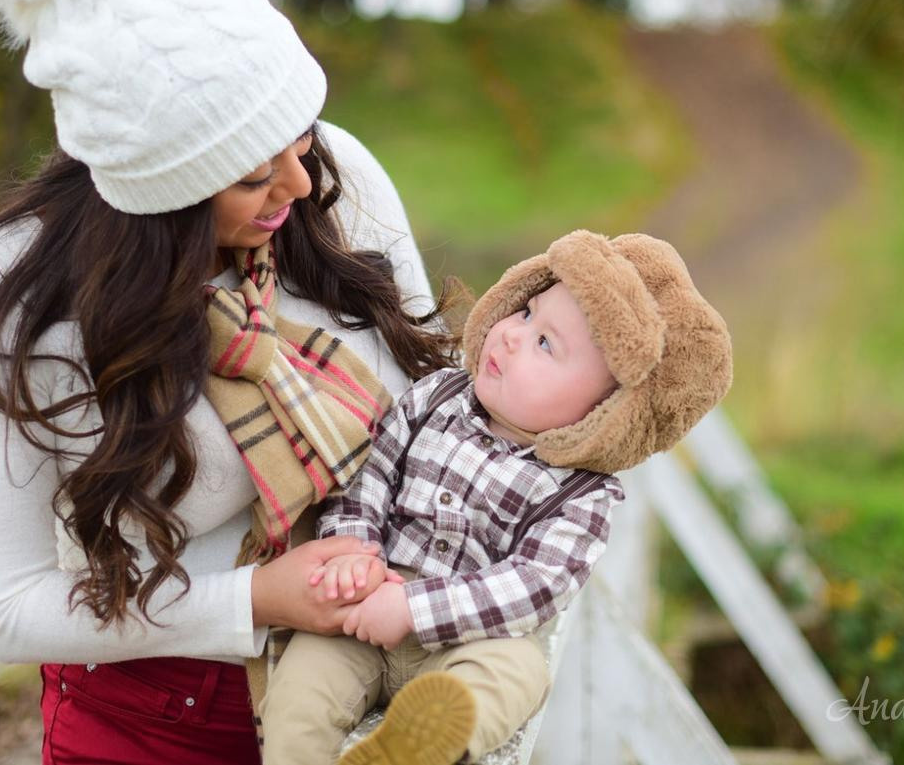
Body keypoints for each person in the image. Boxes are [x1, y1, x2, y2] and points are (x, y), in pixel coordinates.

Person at [0, 0, 456, 765]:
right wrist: (252, 598)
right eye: (251, 174)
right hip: (153, 714)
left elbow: (438, 406)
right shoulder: (8, 301)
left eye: (301, 135)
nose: (296, 181)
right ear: (157, 203)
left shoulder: (332, 173)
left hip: (375, 679)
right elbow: (6, 607)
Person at [259, 230, 733, 765]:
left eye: (546, 344)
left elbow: (535, 583)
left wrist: (416, 609)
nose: (511, 336)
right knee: (299, 695)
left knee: (519, 675)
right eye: (527, 312)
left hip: (471, 637)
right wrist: (352, 550)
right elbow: (368, 476)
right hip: (369, 608)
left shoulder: (580, 494)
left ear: (607, 414)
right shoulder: (434, 398)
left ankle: (422, 744)